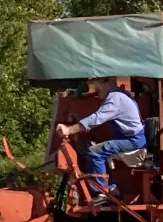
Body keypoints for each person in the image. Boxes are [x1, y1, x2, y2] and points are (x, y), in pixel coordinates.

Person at [55, 76, 146, 206]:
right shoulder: (118, 95)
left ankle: (102, 192)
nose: (95, 88)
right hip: (131, 139)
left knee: (95, 152)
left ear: (109, 81)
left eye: (97, 84)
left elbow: (96, 118)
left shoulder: (116, 98)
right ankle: (112, 190)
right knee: (91, 149)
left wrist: (69, 130)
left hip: (133, 140)